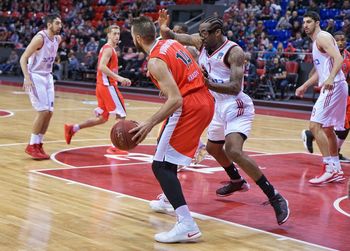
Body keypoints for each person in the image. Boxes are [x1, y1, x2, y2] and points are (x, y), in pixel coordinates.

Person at [157, 10, 290, 225]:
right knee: (212, 148)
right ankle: (236, 180)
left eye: (204, 34)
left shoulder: (234, 52)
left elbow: (235, 86)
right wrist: (165, 29)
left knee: (233, 150)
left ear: (217, 32)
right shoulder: (202, 43)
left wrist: (208, 84)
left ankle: (275, 196)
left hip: (236, 104)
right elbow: (176, 37)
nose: (200, 37)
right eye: (199, 34)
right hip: (216, 105)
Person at [129, 16, 214, 243]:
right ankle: (168, 199)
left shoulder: (155, 61)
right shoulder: (170, 43)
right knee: (166, 158)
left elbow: (175, 99)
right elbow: (190, 62)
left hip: (189, 107)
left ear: (138, 38)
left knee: (160, 166)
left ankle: (187, 224)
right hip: (205, 100)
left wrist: (149, 123)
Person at [295, 11, 347, 184]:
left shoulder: (322, 37)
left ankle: (329, 168)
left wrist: (331, 77)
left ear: (317, 22)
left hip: (334, 85)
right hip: (338, 85)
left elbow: (339, 58)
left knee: (314, 125)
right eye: (304, 22)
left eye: (309, 22)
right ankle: (337, 169)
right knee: (328, 129)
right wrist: (305, 86)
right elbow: (320, 72)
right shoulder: (316, 41)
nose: (305, 25)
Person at [64, 25, 132, 154]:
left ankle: (73, 128)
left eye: (118, 34)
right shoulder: (108, 49)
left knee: (102, 118)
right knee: (121, 114)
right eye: (114, 34)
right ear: (108, 35)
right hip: (108, 86)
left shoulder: (108, 49)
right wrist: (119, 78)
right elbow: (101, 67)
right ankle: (115, 146)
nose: (117, 36)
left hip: (101, 86)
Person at [301, 30, 350, 163]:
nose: (340, 42)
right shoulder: (327, 55)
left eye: (343, 39)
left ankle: (332, 156)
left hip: (343, 92)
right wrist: (308, 84)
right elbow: (314, 73)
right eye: (338, 39)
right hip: (332, 90)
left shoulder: (348, 56)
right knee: (336, 126)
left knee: (334, 126)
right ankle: (332, 159)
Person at [20, 13, 62, 160]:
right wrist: (26, 77)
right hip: (35, 75)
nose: (60, 26)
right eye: (57, 23)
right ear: (49, 24)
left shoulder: (58, 39)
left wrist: (54, 59)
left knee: (50, 112)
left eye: (60, 23)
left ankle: (39, 144)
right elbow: (23, 57)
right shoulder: (40, 38)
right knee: (43, 111)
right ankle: (31, 145)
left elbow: (51, 54)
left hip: (47, 76)